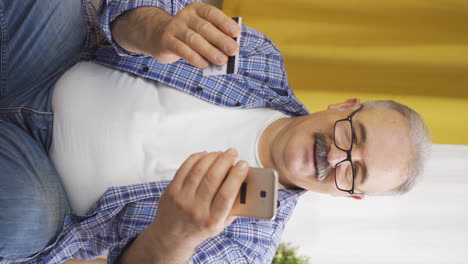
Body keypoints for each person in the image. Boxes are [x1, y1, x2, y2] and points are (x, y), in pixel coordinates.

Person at [0, 0, 430, 263]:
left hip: (42, 187)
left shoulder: (245, 247)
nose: (336, 158)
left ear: (349, 195)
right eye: (353, 137)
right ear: (346, 106)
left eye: (354, 172)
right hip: (53, 63)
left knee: (21, 214)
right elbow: (129, 8)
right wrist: (155, 29)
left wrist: (175, 235)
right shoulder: (258, 58)